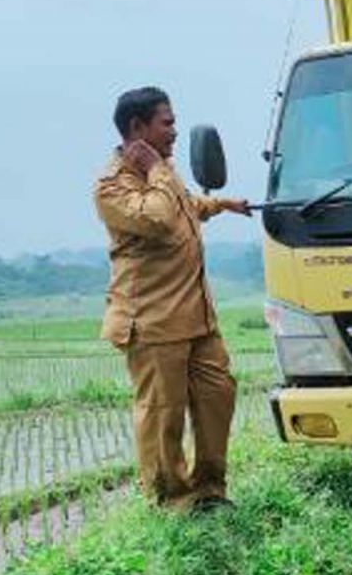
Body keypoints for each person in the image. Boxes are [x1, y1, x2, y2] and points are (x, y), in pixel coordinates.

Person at [94, 86, 250, 512]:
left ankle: (210, 491)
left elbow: (183, 205)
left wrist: (222, 203)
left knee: (218, 395)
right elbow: (160, 218)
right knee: (164, 413)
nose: (176, 132)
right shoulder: (112, 187)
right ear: (137, 127)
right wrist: (160, 171)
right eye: (167, 123)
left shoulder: (165, 174)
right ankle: (172, 503)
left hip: (197, 316)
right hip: (153, 321)